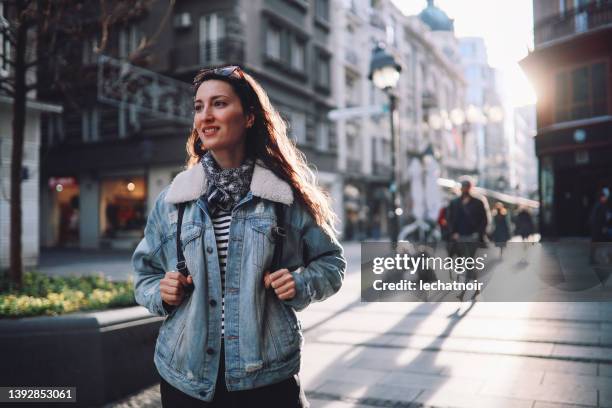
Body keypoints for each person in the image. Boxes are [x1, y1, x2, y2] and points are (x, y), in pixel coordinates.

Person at [132, 66, 346, 407]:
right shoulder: (175, 199)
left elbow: (331, 262)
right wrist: (161, 291)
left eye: (218, 104)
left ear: (248, 117)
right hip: (186, 377)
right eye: (199, 107)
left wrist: (301, 283)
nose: (206, 116)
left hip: (265, 377)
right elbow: (144, 274)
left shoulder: (282, 197)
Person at [446, 177, 489, 300]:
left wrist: (478, 233)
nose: (464, 189)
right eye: (463, 186)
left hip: (473, 237)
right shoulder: (455, 203)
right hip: (459, 237)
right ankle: (476, 289)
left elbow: (484, 220)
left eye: (466, 186)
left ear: (470, 188)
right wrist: (453, 233)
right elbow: (449, 220)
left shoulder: (478, 202)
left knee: (468, 263)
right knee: (468, 263)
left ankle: (464, 291)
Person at [589, 188, 612, 263]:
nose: (606, 198)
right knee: (597, 243)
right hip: (598, 229)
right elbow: (597, 218)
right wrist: (603, 227)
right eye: (605, 197)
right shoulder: (599, 206)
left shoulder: (602, 205)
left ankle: (595, 259)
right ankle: (594, 259)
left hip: (599, 229)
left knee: (597, 244)